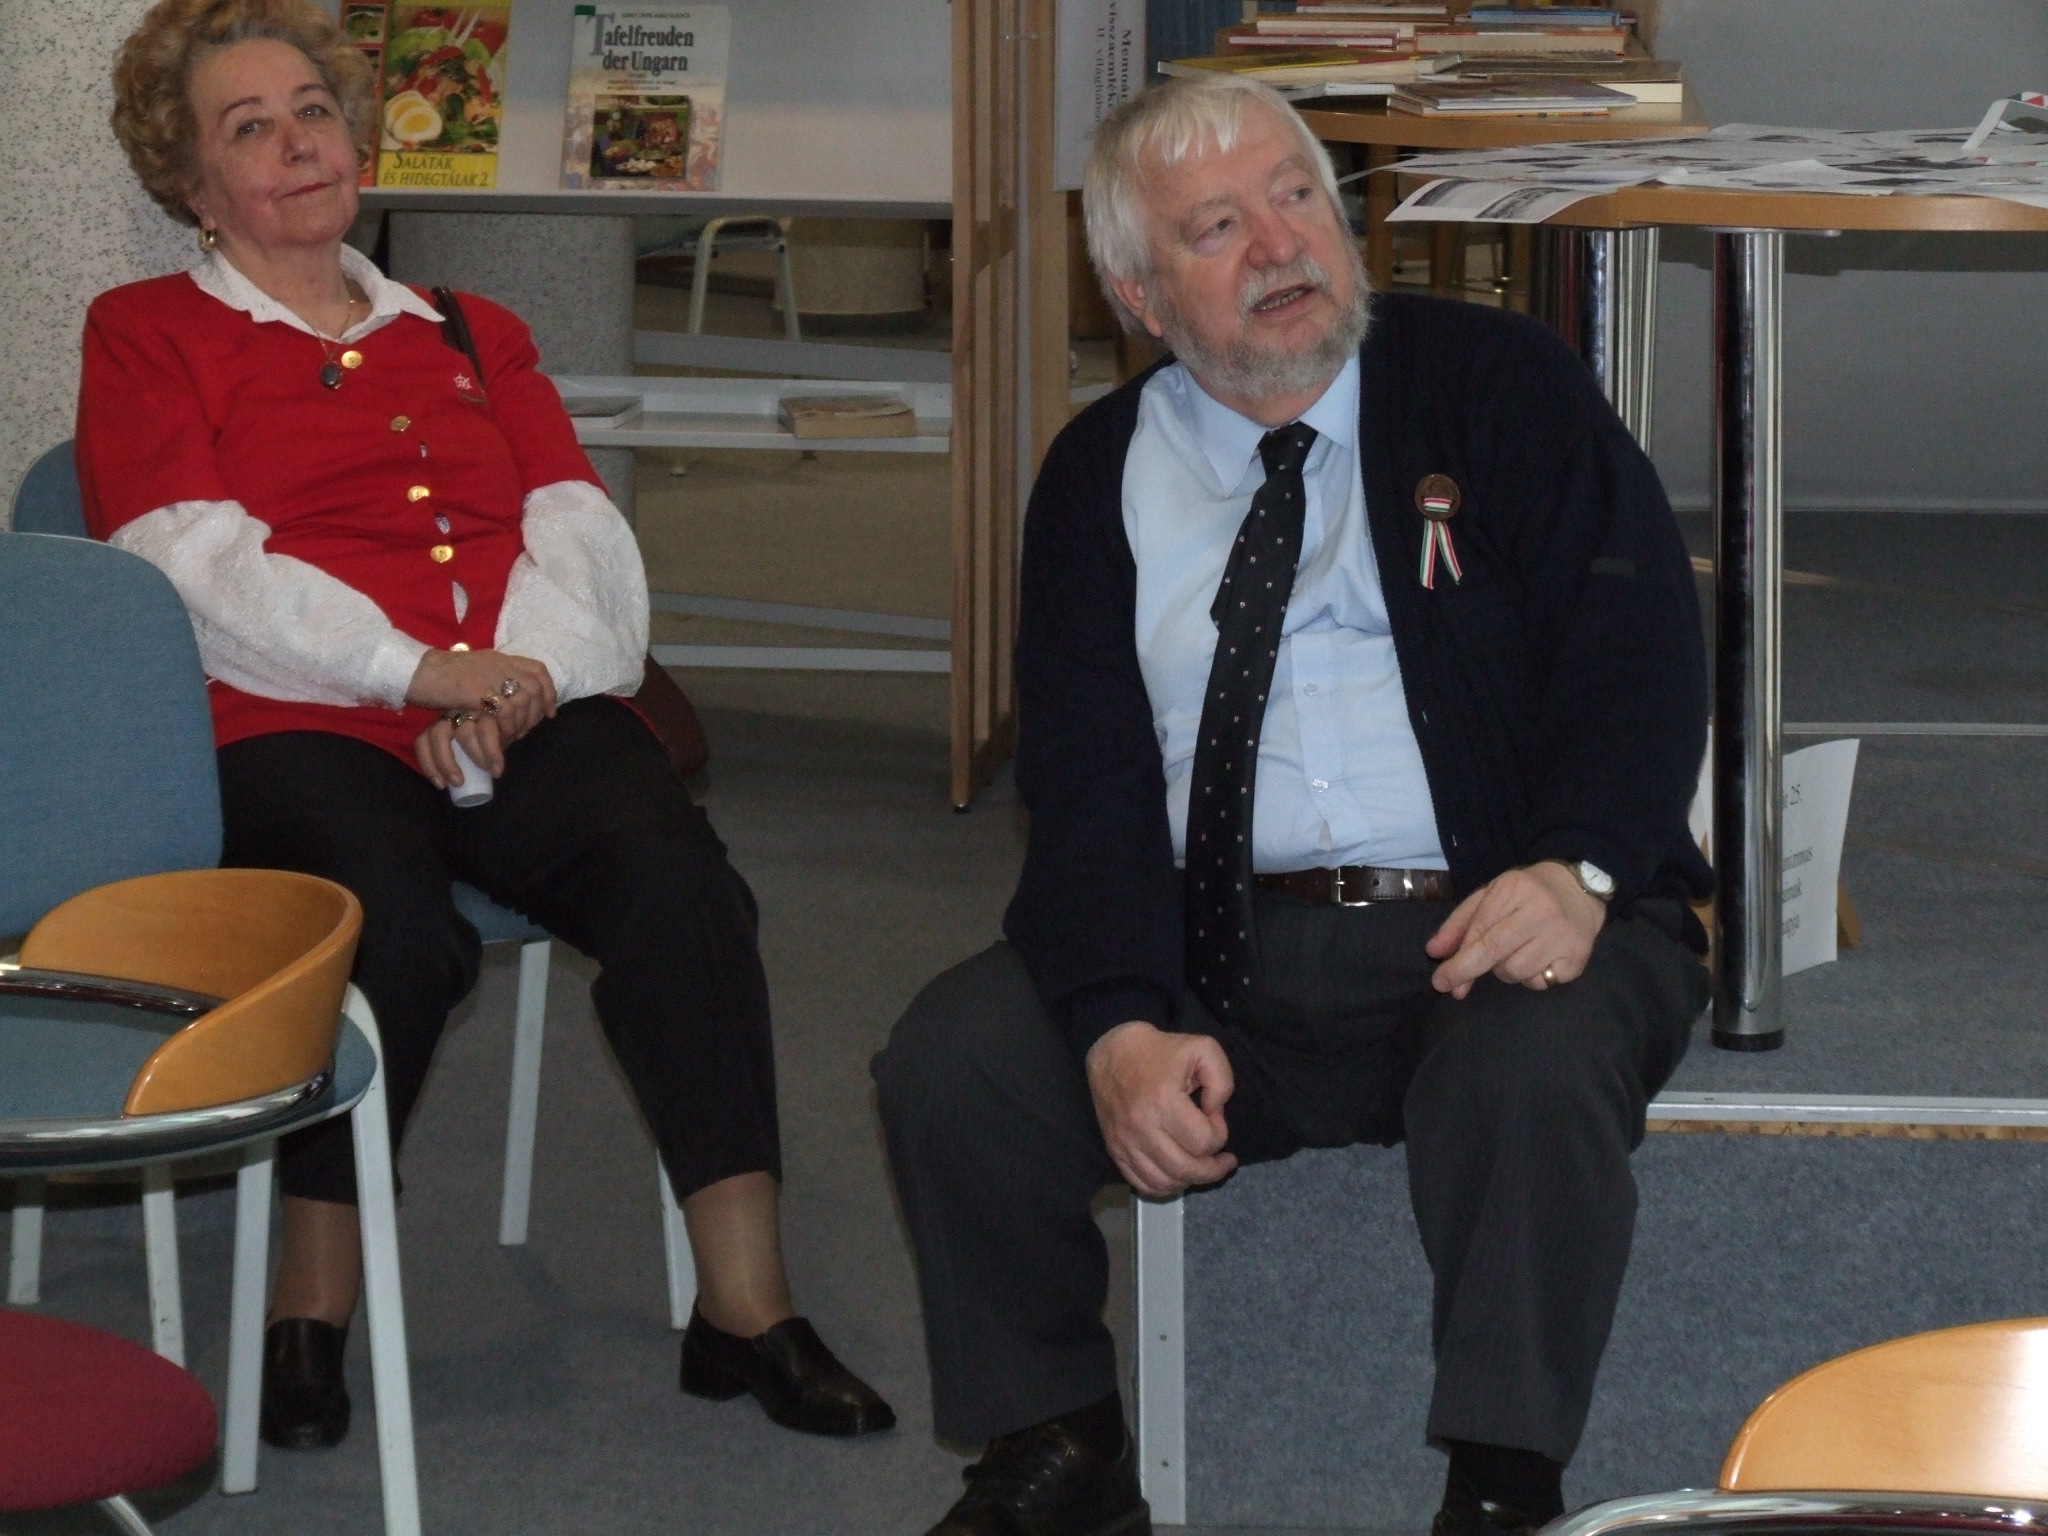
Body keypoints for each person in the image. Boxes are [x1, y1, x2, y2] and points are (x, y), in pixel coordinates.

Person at [874, 73, 1712, 1536]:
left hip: (1499, 912)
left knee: (1531, 1066)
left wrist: (1579, 870)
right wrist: (1121, 1023)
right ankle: (1056, 1445)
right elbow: (1082, 785)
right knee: (956, 1062)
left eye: (1298, 197)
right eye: (1216, 227)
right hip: (1226, 946)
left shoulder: (1495, 383)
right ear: (1139, 294)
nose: (1280, 246)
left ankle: (1503, 1484)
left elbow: (1636, 648)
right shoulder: (1096, 479)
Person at [82, 0, 892, 1453]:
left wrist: (519, 677)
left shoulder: (468, 327)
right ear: (193, 185)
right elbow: (185, 565)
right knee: (386, 929)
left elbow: (578, 531)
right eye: (249, 129)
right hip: (294, 717)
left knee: (680, 885)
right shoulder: (146, 334)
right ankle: (312, 1297)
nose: (297, 146)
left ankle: (745, 1305)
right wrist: (414, 672)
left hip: (513, 699)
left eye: (312, 112)